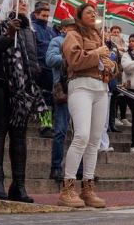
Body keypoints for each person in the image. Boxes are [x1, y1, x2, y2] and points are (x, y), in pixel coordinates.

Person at [0, 0, 45, 202]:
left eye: (25, 2)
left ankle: (18, 185)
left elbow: (33, 60)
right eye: (18, 1)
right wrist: (8, 34)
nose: (23, 4)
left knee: (19, 135)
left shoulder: (29, 31)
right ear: (9, 4)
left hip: (23, 87)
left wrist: (34, 74)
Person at [58, 3, 115, 209]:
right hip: (81, 86)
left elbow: (109, 68)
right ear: (80, 16)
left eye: (95, 12)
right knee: (81, 136)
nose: (93, 15)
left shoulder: (99, 38)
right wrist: (97, 53)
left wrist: (111, 65)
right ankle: (67, 188)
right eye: (89, 12)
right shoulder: (73, 34)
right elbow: (75, 61)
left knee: (94, 140)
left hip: (101, 88)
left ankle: (88, 188)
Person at [46, 18, 78, 182]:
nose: (75, 30)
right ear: (63, 29)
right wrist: (69, 59)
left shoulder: (79, 42)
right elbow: (50, 59)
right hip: (64, 89)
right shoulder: (57, 41)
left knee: (80, 133)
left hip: (79, 89)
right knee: (60, 130)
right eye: (72, 27)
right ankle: (56, 168)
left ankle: (79, 169)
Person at [31, 1, 55, 137]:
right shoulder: (32, 28)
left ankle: (47, 124)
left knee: (49, 99)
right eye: (43, 16)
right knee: (43, 98)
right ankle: (45, 125)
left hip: (50, 69)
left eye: (47, 16)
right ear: (36, 14)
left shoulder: (51, 31)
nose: (45, 18)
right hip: (38, 68)